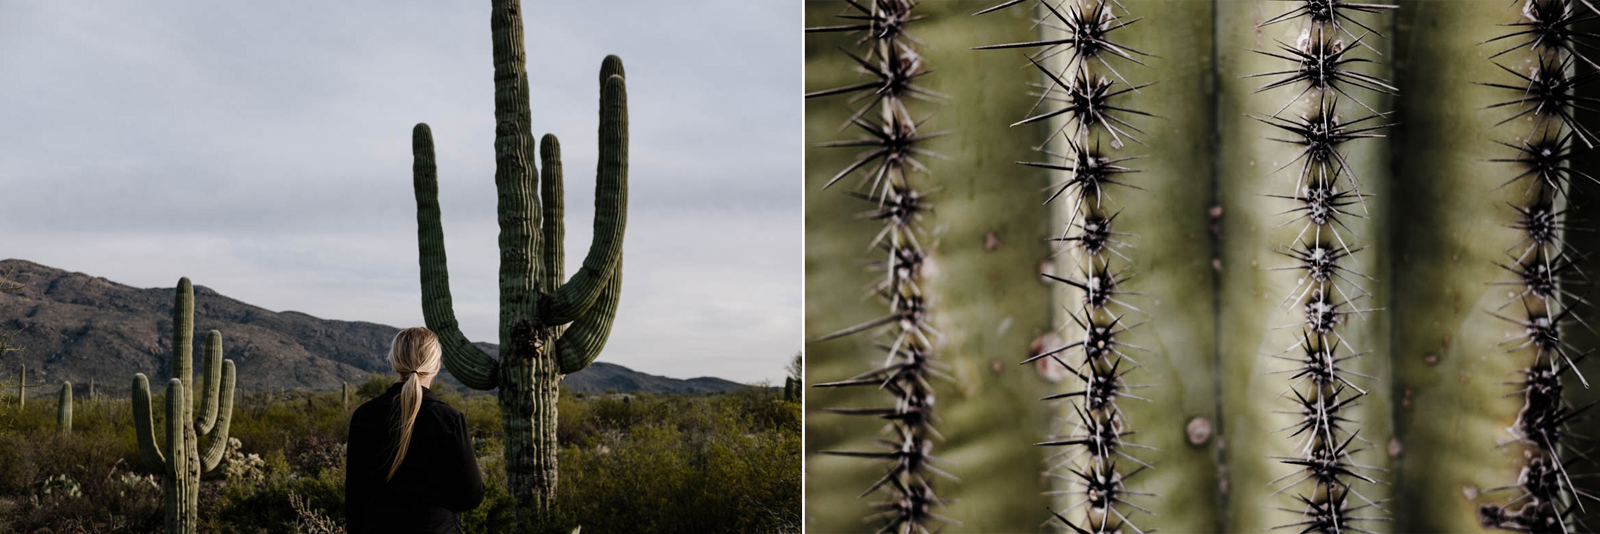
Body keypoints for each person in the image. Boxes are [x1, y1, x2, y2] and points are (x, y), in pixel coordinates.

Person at [346, 327, 484, 533]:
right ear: (436, 365)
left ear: (394, 362)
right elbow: (472, 496)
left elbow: (354, 495)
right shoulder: (449, 419)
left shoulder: (364, 415)